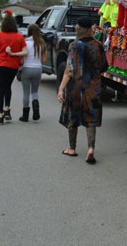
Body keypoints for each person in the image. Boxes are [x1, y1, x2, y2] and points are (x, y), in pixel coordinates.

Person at [58, 17, 107, 164]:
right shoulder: (98, 45)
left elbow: (69, 70)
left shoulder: (74, 45)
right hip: (93, 87)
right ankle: (90, 149)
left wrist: (61, 89)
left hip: (75, 87)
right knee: (91, 118)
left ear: (78, 29)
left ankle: (72, 149)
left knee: (73, 116)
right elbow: (104, 66)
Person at [0, 14, 26, 125]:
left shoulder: (0, 35)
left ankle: (0, 115)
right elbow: (24, 51)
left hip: (2, 64)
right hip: (13, 66)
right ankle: (7, 109)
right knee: (8, 87)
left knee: (1, 89)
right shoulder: (19, 36)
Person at [7, 24, 47, 122]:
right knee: (35, 91)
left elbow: (21, 60)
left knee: (26, 92)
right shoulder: (42, 43)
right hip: (37, 69)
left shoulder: (25, 42)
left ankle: (25, 116)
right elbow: (44, 60)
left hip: (26, 69)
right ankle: (36, 109)